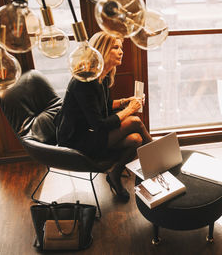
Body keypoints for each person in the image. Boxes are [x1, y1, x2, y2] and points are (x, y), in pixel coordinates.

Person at [55, 31, 152, 202]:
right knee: (135, 121)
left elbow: (104, 107)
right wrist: (130, 109)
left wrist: (125, 102)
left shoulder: (103, 76)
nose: (121, 51)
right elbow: (99, 124)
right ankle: (159, 161)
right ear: (101, 51)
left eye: (120, 47)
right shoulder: (84, 81)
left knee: (136, 140)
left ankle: (114, 174)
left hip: (91, 132)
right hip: (76, 141)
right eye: (115, 47)